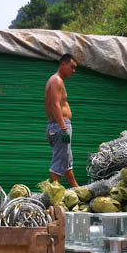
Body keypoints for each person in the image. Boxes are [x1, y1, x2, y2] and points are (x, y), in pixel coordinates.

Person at [45, 54, 80, 187]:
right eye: (72, 67)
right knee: (58, 163)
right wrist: (63, 127)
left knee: (66, 162)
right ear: (63, 65)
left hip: (58, 126)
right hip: (59, 127)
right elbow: (55, 104)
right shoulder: (56, 80)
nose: (73, 71)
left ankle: (77, 189)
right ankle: (55, 193)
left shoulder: (56, 80)